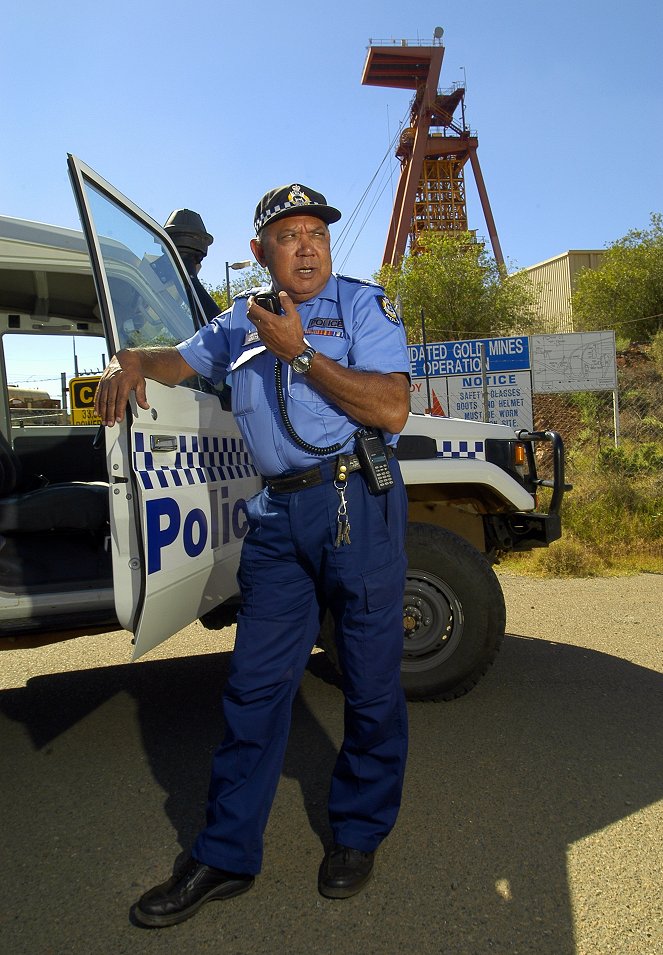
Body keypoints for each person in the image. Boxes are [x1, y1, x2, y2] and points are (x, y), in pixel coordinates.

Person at [94, 183, 411, 928]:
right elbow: (179, 359)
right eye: (290, 235)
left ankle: (358, 832)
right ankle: (226, 853)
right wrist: (130, 359)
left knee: (367, 683)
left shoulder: (363, 307)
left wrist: (301, 355)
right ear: (260, 252)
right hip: (274, 517)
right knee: (253, 691)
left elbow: (390, 407)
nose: (307, 246)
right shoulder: (238, 320)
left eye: (317, 234)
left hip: (353, 505)